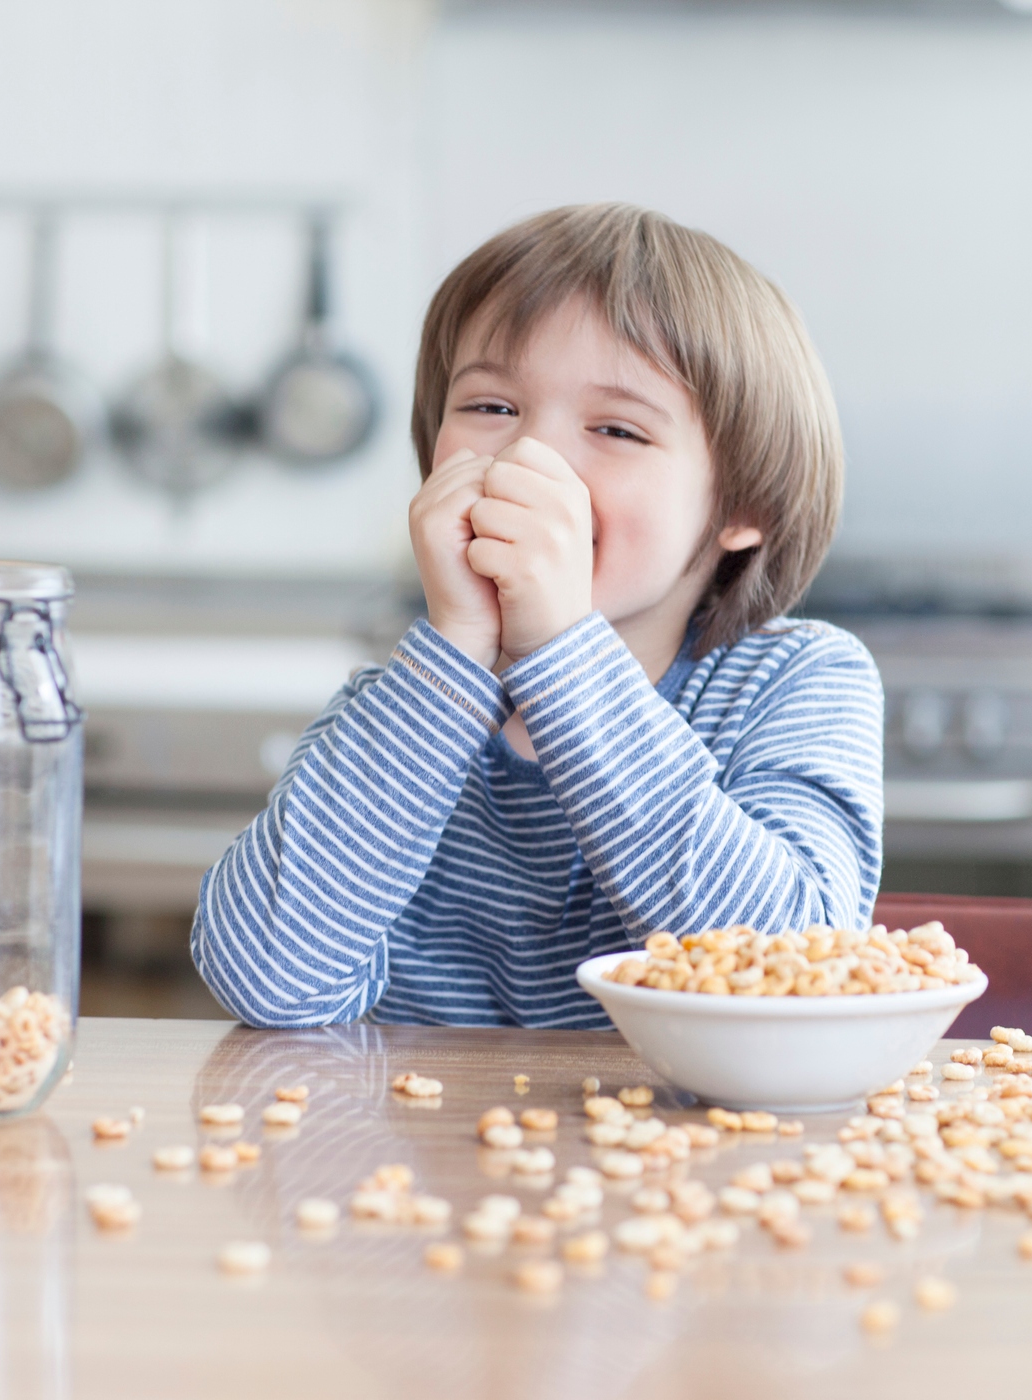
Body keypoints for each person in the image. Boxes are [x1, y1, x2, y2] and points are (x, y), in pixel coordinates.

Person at [191, 202, 883, 1028]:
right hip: (412, 1153)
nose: (531, 460)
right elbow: (263, 983)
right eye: (490, 408)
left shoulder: (795, 681)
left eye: (617, 428)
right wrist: (455, 655)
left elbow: (791, 974)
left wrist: (561, 649)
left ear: (742, 505)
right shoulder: (399, 712)